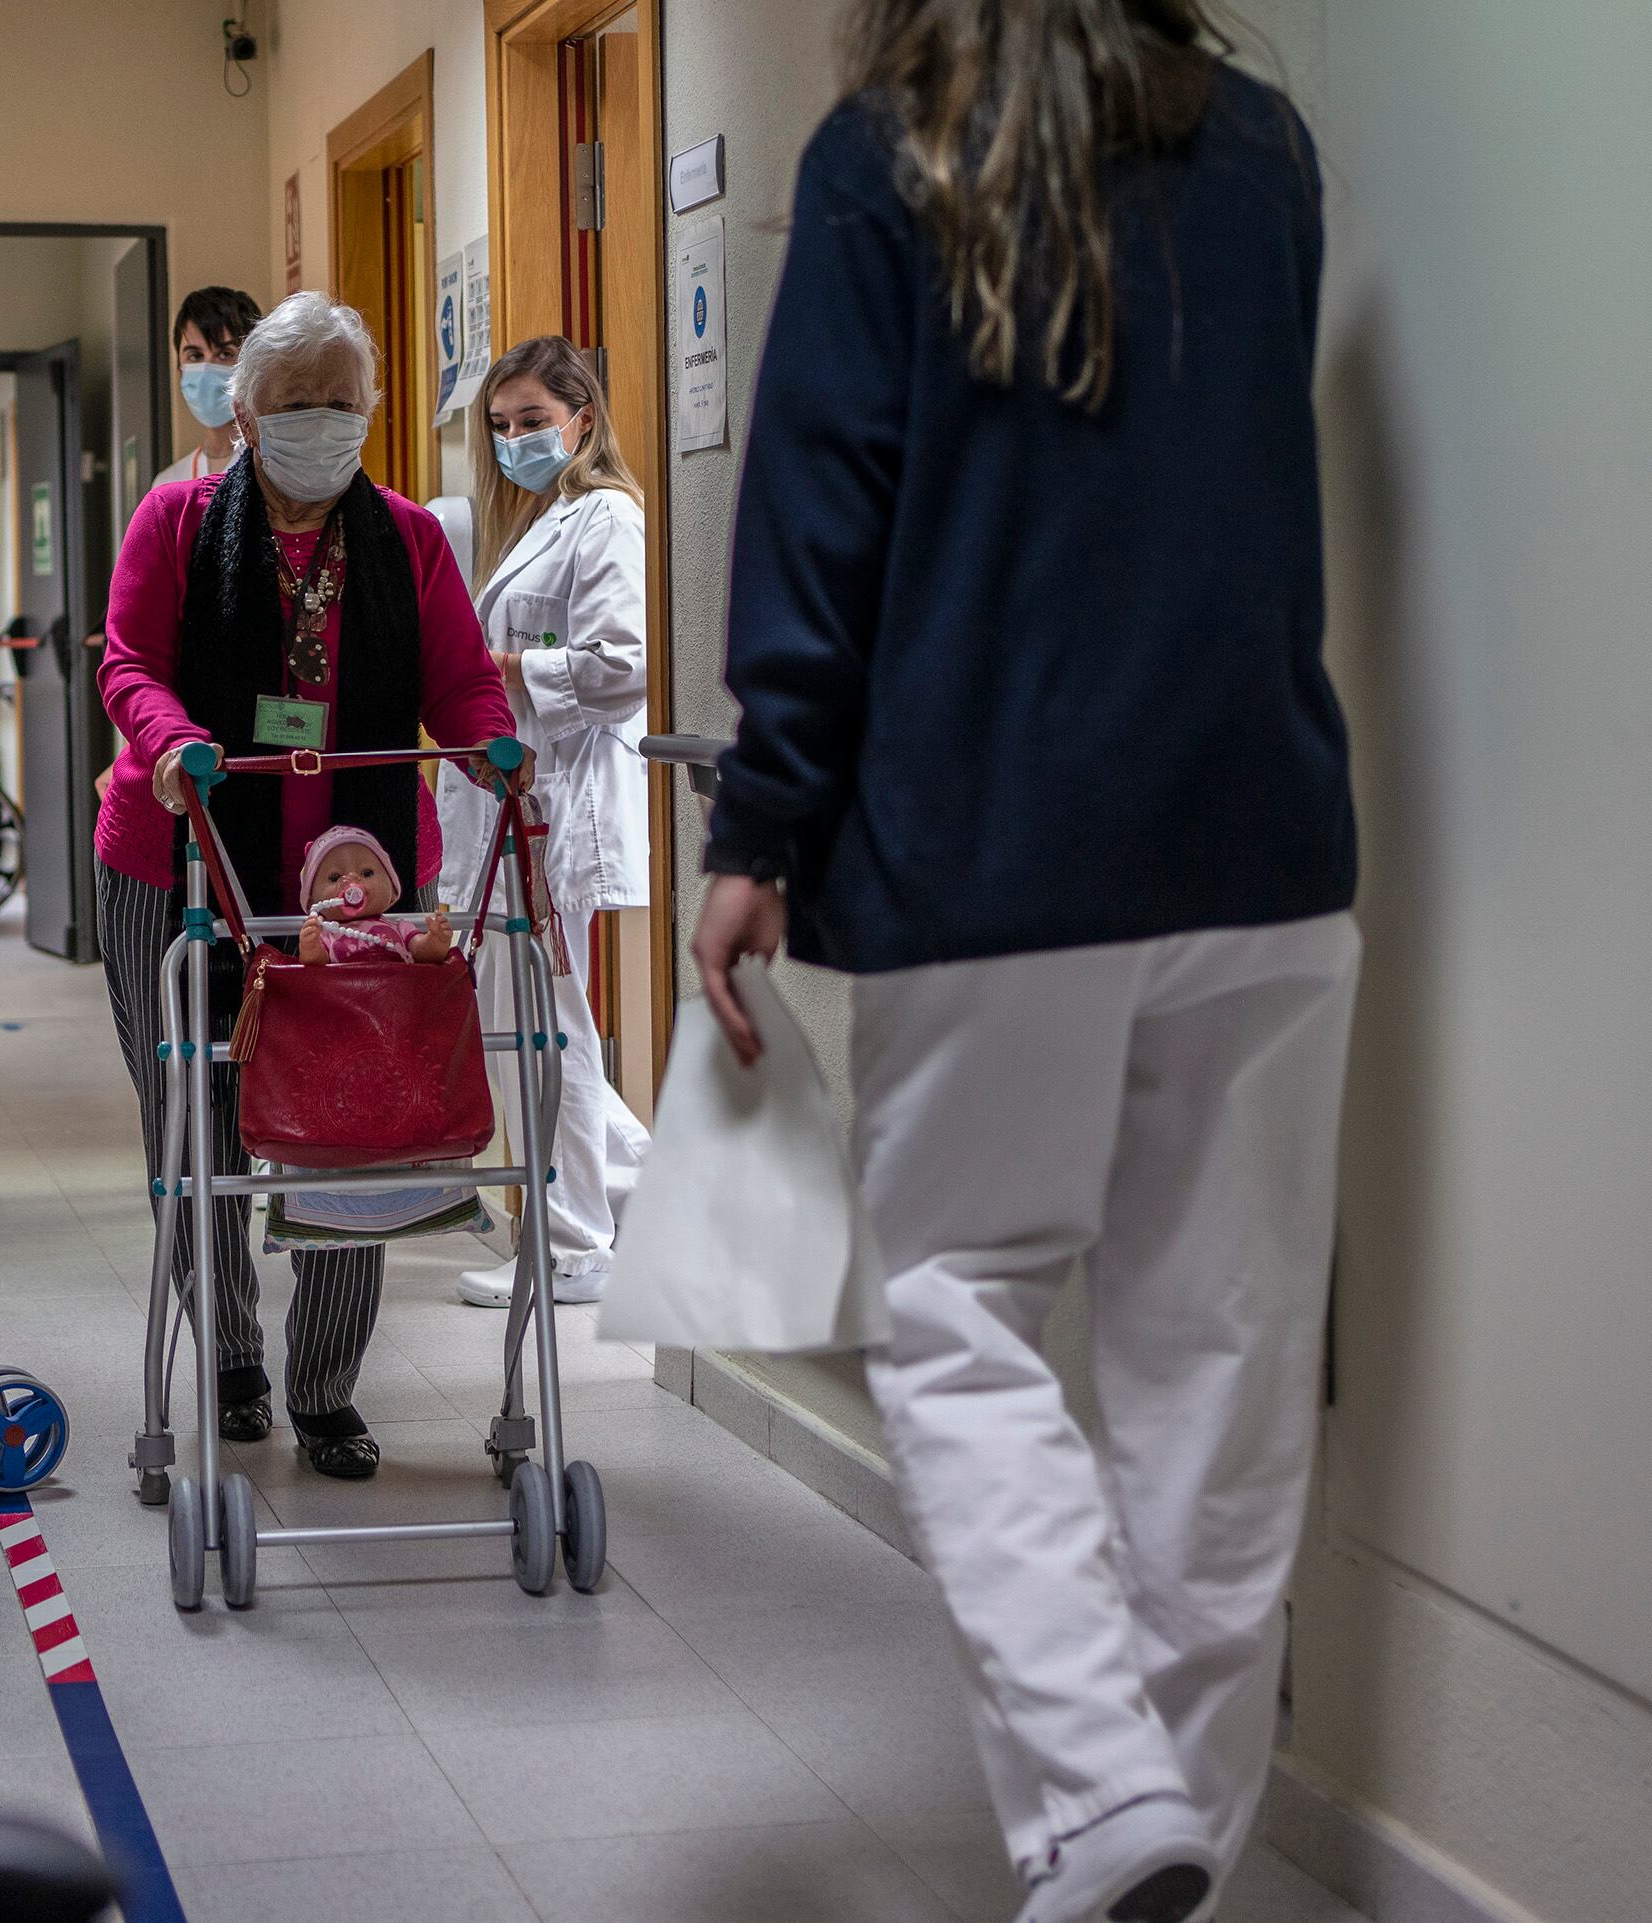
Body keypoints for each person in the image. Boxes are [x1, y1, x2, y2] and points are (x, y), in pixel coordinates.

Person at [691, 7, 1356, 1921]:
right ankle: (1167, 1853)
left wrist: (758, 829)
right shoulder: (1260, 147)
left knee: (962, 1314)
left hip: (993, 851)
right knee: (1214, 1372)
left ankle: (1095, 1797)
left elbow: (823, 525)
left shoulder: (885, 153)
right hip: (1265, 851)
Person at [95, 290, 522, 1481]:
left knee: (357, 1128)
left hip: (354, 883)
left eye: (339, 401)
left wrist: (493, 741)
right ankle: (229, 1353)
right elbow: (128, 659)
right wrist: (170, 736)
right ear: (244, 409)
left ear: (371, 409)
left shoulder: (408, 536)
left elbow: (459, 680)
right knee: (197, 1123)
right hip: (182, 858)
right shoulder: (177, 520)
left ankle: (325, 1386)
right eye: (293, 404)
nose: (318, 423)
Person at [433, 336, 658, 1309]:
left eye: (532, 420)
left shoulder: (604, 514)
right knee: (540, 1022)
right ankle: (641, 1192)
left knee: (542, 1029)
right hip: (521, 804)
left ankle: (576, 1243)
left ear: (580, 419)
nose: (517, 439)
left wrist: (511, 668)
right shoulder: (542, 518)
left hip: (558, 804)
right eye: (501, 425)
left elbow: (622, 664)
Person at [154, 285, 264, 490]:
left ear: (253, 364)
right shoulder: (169, 485)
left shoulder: (271, 473)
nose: (206, 370)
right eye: (195, 356)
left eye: (224, 354)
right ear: (180, 369)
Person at [293, 826, 453, 965]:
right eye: (335, 877)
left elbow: (423, 954)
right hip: (343, 998)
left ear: (391, 885)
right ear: (312, 899)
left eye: (367, 873)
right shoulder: (326, 934)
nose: (352, 880)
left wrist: (436, 941)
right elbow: (315, 966)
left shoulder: (401, 927)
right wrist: (310, 946)